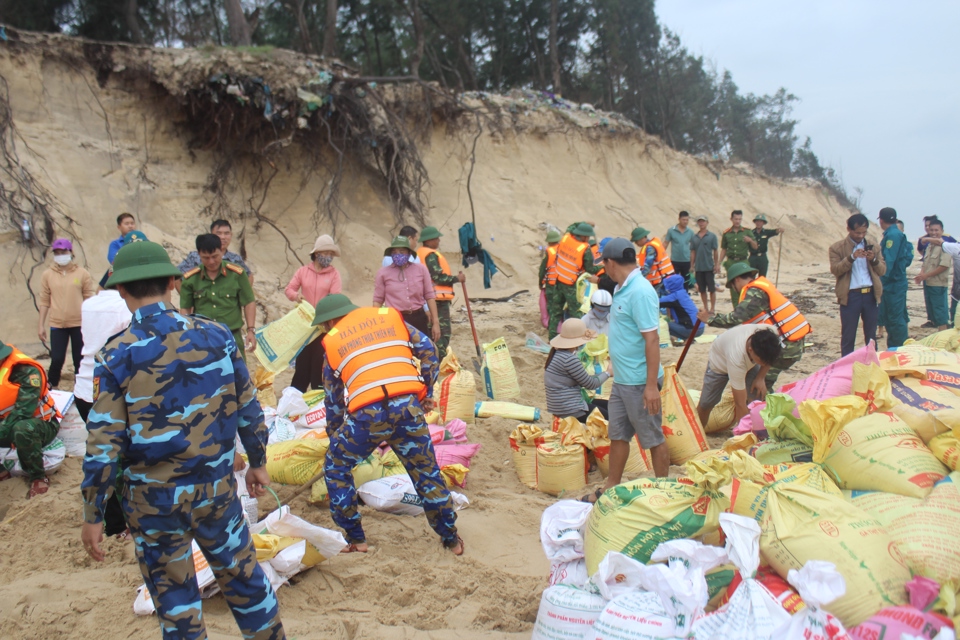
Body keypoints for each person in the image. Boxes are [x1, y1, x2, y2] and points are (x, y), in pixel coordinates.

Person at [80, 241, 284, 640]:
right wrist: (258, 462)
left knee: (176, 604)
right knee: (246, 584)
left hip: (153, 502)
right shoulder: (217, 336)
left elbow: (103, 446)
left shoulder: (116, 355)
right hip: (216, 490)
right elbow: (249, 406)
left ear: (121, 290)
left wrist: (94, 513)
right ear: (174, 282)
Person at [312, 293, 463, 555]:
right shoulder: (390, 319)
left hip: (366, 417)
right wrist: (424, 391)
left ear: (328, 322)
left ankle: (357, 539)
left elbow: (333, 400)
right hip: (407, 409)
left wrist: (335, 435)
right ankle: (451, 538)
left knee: (336, 466)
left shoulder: (333, 342)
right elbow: (429, 350)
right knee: (426, 472)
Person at [582, 238, 669, 503]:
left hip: (640, 381)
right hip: (622, 380)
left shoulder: (640, 291)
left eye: (603, 264)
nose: (603, 270)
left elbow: (651, 339)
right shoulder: (621, 287)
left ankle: (664, 490)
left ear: (610, 262)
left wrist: (651, 386)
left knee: (652, 437)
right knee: (618, 433)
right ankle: (612, 485)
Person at [698, 262, 810, 391]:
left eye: (733, 286)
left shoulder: (755, 292)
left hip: (785, 347)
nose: (735, 290)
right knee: (758, 382)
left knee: (756, 386)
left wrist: (710, 319)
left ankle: (763, 409)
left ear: (737, 279)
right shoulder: (761, 286)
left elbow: (737, 318)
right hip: (790, 342)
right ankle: (764, 405)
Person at [180, 233, 258, 359]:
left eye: (215, 256)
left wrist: (251, 330)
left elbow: (249, 302)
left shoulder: (237, 274)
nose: (211, 261)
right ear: (199, 254)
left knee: (237, 376)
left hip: (232, 336)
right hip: (203, 338)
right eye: (206, 258)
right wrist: (187, 333)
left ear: (222, 251)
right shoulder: (191, 279)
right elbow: (185, 309)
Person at [0, 339, 61, 498]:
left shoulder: (28, 372)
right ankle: (2, 471)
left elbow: (22, 412)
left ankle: (38, 477)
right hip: (6, 422)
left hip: (39, 425)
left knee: (22, 429)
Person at [284, 234, 343, 392]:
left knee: (319, 364)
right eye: (326, 253)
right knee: (302, 365)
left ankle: (318, 402)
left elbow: (336, 297)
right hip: (304, 326)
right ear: (317, 254)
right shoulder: (303, 271)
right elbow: (289, 289)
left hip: (323, 328)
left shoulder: (334, 274)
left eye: (331, 254)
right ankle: (295, 397)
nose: (329, 257)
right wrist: (297, 296)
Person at [695, 326, 784, 428]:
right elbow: (740, 404)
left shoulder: (771, 335)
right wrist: (743, 436)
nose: (764, 364)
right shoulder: (737, 358)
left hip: (748, 362)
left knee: (755, 397)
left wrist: (760, 378)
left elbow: (770, 358)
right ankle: (698, 432)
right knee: (707, 403)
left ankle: (756, 429)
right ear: (750, 350)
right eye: (761, 361)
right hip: (720, 364)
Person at [38, 238, 96, 388]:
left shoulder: (82, 274)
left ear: (71, 252)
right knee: (57, 358)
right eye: (57, 252)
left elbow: (89, 298)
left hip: (78, 323)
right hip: (57, 324)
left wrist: (91, 322)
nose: (60, 255)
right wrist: (41, 325)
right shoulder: (48, 275)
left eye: (63, 252)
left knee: (79, 359)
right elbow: (44, 300)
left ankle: (81, 390)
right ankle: (51, 387)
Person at [828, 213, 886, 356]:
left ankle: (872, 363)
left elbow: (882, 270)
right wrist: (851, 257)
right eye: (857, 232)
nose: (860, 236)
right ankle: (846, 366)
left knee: (871, 335)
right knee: (848, 335)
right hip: (850, 296)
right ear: (848, 229)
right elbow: (836, 270)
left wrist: (873, 260)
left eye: (864, 232)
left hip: (870, 295)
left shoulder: (874, 247)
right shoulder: (837, 248)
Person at [374, 236, 441, 342]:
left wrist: (435, 322)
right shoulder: (383, 273)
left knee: (424, 352)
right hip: (395, 320)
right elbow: (377, 301)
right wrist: (376, 324)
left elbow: (429, 296)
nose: (398, 255)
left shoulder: (421, 269)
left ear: (409, 253)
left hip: (418, 318)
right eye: (395, 252)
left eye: (401, 251)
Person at [544, 318, 611, 422]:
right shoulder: (569, 359)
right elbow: (591, 384)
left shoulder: (558, 354)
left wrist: (604, 373)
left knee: (610, 406)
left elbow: (584, 379)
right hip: (571, 410)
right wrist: (608, 373)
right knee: (612, 418)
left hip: (560, 406)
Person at [417, 226, 465, 361]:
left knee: (431, 331)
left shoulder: (420, 254)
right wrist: (457, 279)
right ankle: (439, 359)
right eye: (436, 238)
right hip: (436, 301)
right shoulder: (430, 256)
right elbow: (437, 277)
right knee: (442, 334)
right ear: (429, 240)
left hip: (429, 300)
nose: (438, 240)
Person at [549, 223, 602, 336]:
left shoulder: (566, 237)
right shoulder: (584, 249)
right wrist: (603, 267)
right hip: (572, 285)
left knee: (555, 313)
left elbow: (571, 226)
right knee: (576, 314)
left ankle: (552, 337)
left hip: (559, 280)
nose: (588, 239)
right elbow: (590, 269)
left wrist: (582, 223)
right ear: (582, 236)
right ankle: (577, 339)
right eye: (587, 236)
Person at [876, 207, 913, 348]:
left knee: (894, 318)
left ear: (881, 220)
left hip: (893, 284)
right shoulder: (896, 234)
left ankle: (897, 348)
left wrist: (881, 280)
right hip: (896, 283)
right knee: (896, 317)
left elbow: (889, 262)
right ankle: (898, 346)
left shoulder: (892, 236)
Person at [178, 219, 254, 286]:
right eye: (219, 233)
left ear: (231, 235)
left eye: (226, 233)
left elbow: (249, 276)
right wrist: (186, 297)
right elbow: (176, 275)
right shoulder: (196, 256)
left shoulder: (235, 259)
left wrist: (242, 298)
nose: (223, 237)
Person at [915, 217, 952, 331]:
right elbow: (925, 263)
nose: (934, 233)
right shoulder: (930, 245)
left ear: (942, 231)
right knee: (933, 313)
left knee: (941, 313)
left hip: (938, 284)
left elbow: (944, 266)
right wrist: (921, 275)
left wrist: (926, 275)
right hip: (929, 283)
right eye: (931, 230)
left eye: (936, 230)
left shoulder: (945, 246)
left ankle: (943, 336)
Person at [718, 210, 758, 306]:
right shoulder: (727, 233)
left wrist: (750, 240)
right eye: (736, 219)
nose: (737, 221)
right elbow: (724, 249)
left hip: (743, 261)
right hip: (731, 262)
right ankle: (736, 309)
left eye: (739, 219)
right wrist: (718, 263)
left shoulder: (747, 231)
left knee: (746, 285)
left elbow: (755, 246)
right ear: (731, 219)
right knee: (733, 286)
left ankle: (746, 307)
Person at [922, 236, 960, 325]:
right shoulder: (956, 247)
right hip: (957, 294)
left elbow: (940, 242)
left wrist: (926, 239)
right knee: (955, 323)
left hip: (956, 293)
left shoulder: (956, 247)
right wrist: (927, 239)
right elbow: (940, 242)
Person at [658, 274, 704, 341]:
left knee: (664, 326)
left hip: (692, 329)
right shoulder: (682, 293)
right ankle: (688, 339)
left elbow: (656, 303)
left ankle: (687, 338)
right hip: (700, 327)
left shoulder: (675, 296)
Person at [689, 214, 720, 315]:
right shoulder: (694, 238)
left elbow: (715, 251)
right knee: (702, 290)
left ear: (707, 223)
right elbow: (693, 252)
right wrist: (692, 266)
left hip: (709, 266)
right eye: (700, 221)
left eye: (703, 221)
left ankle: (712, 308)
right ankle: (706, 307)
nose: (701, 223)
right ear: (698, 223)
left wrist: (716, 264)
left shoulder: (712, 236)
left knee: (711, 289)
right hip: (699, 267)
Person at [630, 227, 675, 291]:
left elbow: (647, 267)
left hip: (661, 281)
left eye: (636, 241)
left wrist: (638, 280)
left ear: (642, 238)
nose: (636, 243)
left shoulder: (650, 248)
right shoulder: (654, 243)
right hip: (667, 278)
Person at [662, 211, 694, 286]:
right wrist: (661, 255)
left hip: (686, 261)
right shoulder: (671, 230)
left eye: (687, 220)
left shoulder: (690, 232)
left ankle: (684, 296)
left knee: (686, 282)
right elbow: (666, 243)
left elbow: (693, 248)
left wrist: (693, 262)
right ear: (679, 219)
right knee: (674, 282)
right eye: (683, 220)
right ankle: (675, 297)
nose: (685, 222)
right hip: (675, 261)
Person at [540, 229, 562, 337]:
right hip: (563, 283)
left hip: (551, 284)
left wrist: (540, 283)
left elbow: (542, 269)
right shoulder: (564, 250)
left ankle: (552, 333)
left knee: (552, 309)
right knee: (561, 308)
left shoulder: (549, 251)